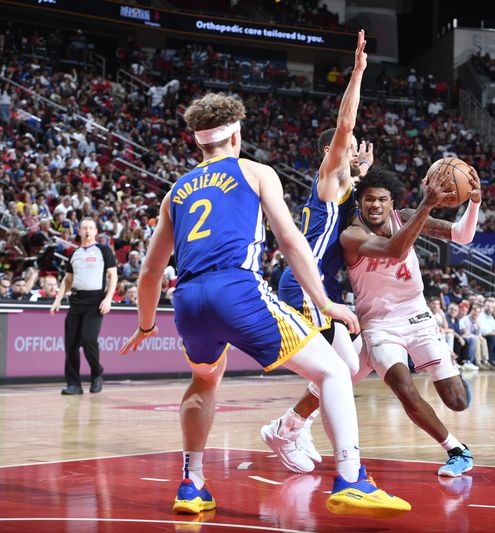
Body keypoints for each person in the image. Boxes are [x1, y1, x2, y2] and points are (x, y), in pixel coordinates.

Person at [118, 88, 409, 518]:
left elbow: (149, 272)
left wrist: (145, 325)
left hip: (188, 299)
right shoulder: (255, 172)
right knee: (334, 370)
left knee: (203, 381)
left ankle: (192, 484)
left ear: (199, 140)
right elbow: (291, 241)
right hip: (236, 289)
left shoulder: (175, 191)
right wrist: (325, 304)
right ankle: (351, 477)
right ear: (236, 137)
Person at [261, 29, 376, 474]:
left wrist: (364, 174)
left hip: (321, 287)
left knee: (349, 369)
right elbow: (345, 123)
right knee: (338, 371)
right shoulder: (327, 180)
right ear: (331, 152)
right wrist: (358, 73)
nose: (351, 146)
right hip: (303, 286)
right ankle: (296, 434)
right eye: (345, 147)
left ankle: (288, 426)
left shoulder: (346, 185)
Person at [341, 166, 481, 476]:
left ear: (392, 203)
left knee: (457, 402)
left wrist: (474, 201)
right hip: (379, 326)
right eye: (368, 200)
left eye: (382, 199)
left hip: (417, 317)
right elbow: (395, 250)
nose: (375, 205)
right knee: (404, 389)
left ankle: (452, 378)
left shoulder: (405, 215)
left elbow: (463, 235)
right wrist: (426, 204)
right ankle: (457, 450)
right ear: (360, 204)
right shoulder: (352, 235)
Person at [50, 218, 117, 395]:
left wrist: (108, 299)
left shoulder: (104, 250)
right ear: (79, 232)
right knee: (71, 344)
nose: (87, 231)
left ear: (96, 231)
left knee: (88, 340)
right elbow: (68, 279)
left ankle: (96, 373)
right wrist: (57, 299)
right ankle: (74, 384)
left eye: (90, 228)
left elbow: (113, 276)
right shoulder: (74, 253)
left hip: (95, 301)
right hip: (76, 301)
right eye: (84, 228)